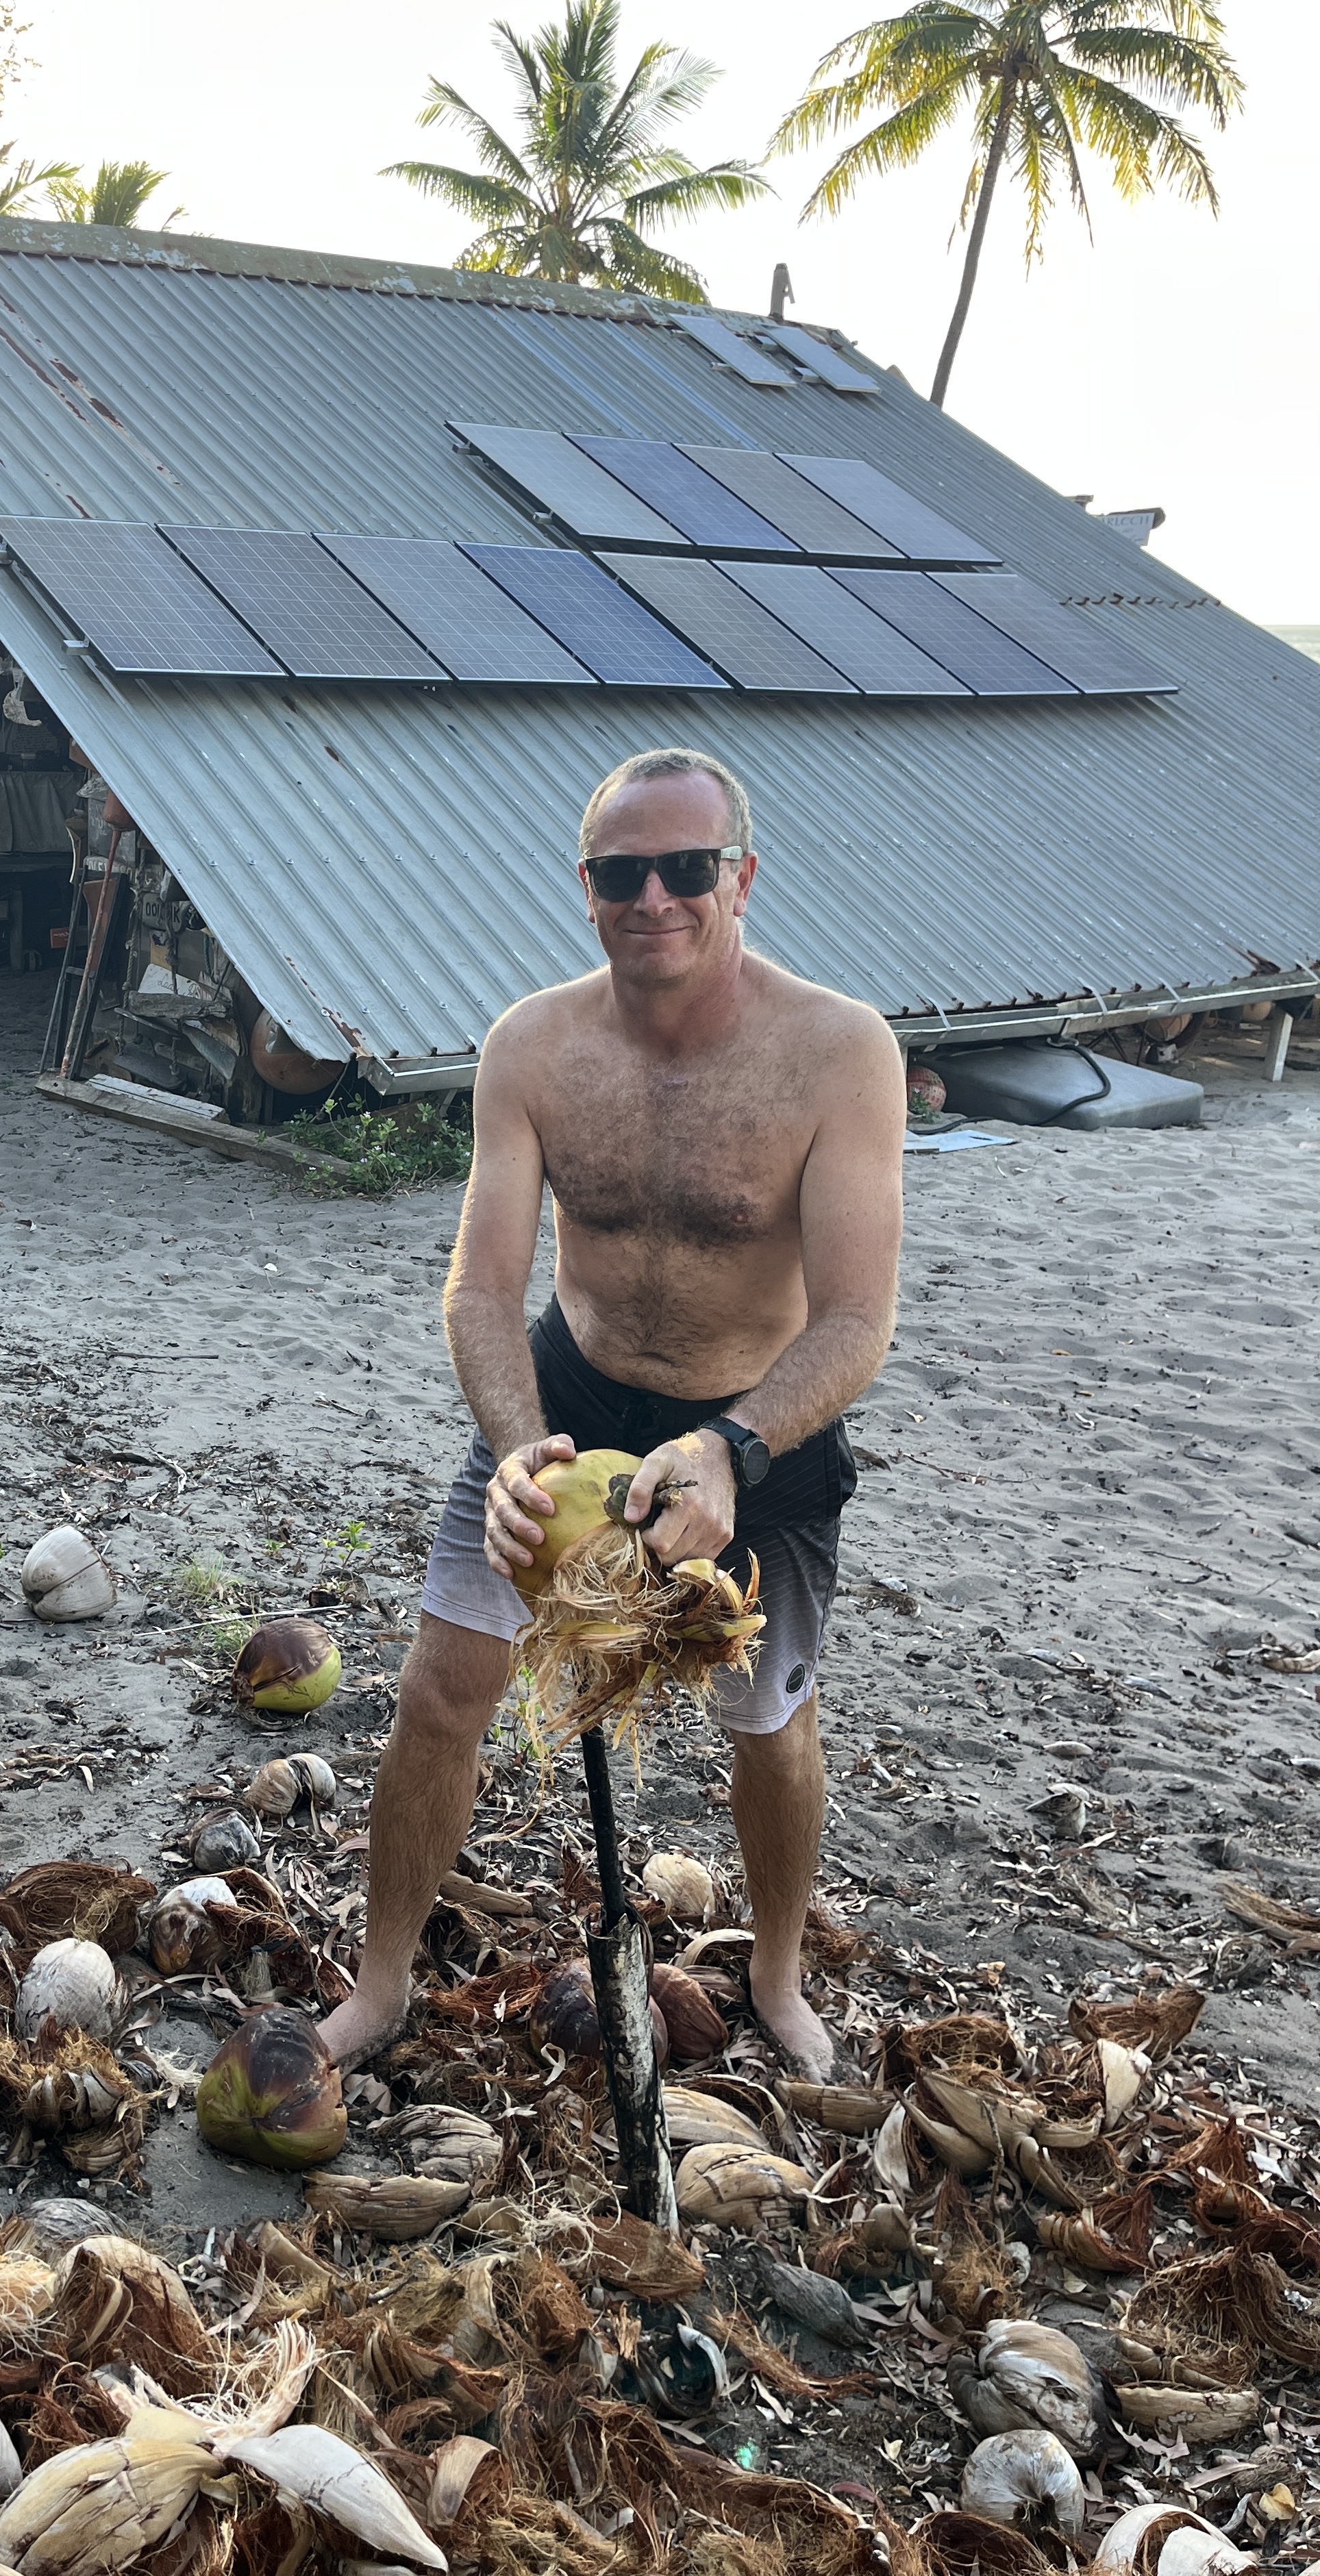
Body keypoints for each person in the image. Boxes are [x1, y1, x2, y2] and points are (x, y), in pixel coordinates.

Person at [317, 747, 904, 2081]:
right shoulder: (536, 1044)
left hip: (759, 1431)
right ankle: (383, 1978)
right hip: (566, 1405)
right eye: (621, 873)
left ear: (739, 877)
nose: (655, 897)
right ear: (587, 887)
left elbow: (854, 1321)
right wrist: (522, 1444)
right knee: (443, 1689)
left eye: (686, 869)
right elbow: (482, 1287)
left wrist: (732, 1449)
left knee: (767, 1724)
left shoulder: (835, 1051)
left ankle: (771, 1968)